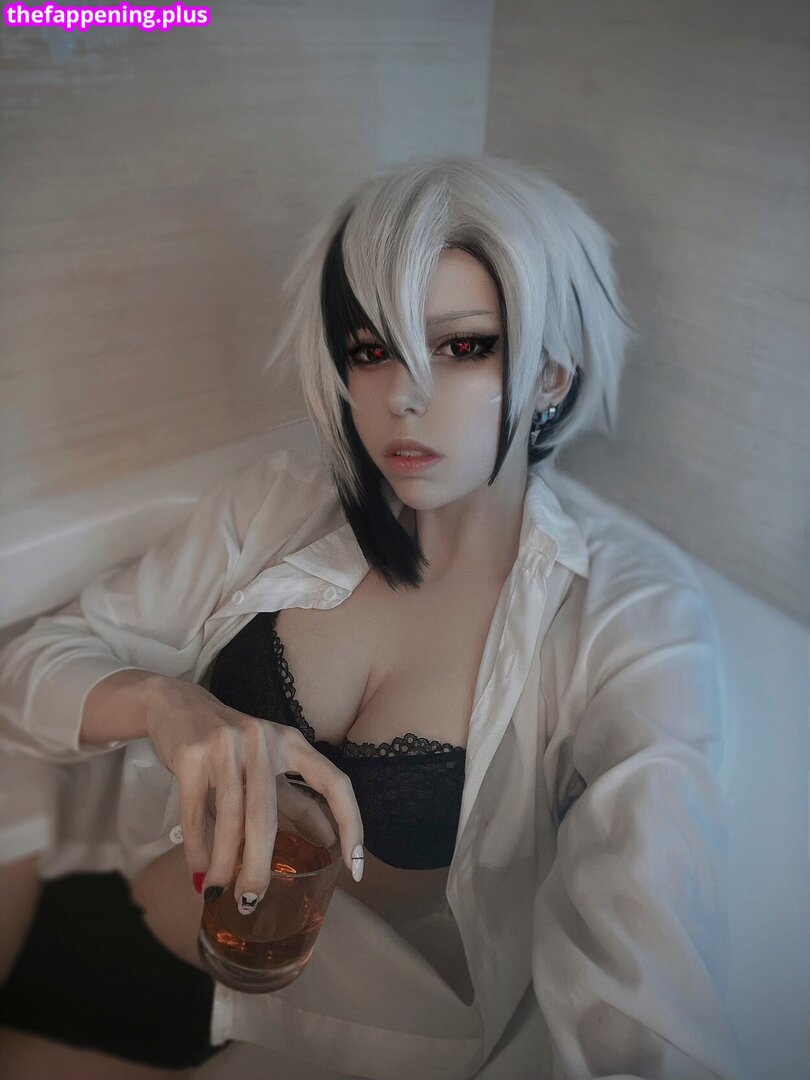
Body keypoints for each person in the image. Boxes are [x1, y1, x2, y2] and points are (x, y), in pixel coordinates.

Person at [0, 154, 749, 1080]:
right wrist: (167, 705)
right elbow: (29, 668)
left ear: (553, 373)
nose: (403, 395)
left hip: (306, 1038)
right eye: (370, 349)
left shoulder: (625, 616)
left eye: (462, 348)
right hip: (108, 917)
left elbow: (641, 974)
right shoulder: (280, 505)